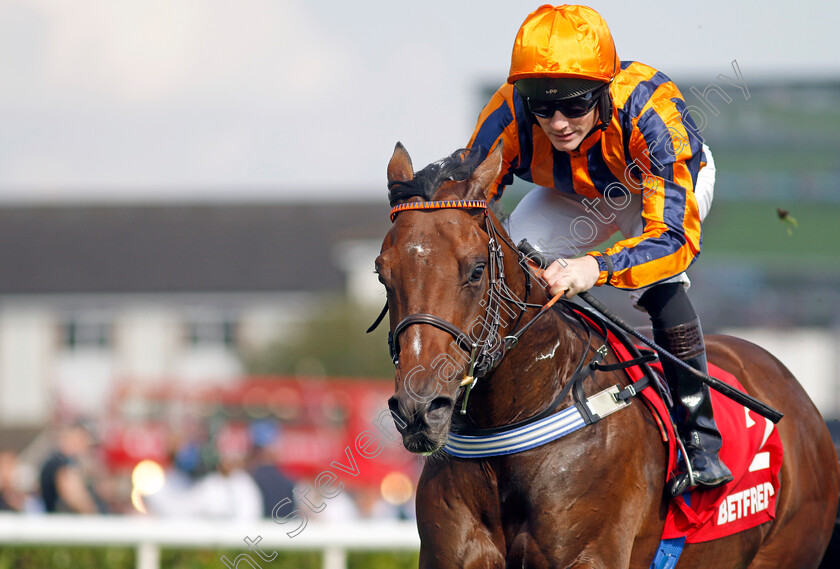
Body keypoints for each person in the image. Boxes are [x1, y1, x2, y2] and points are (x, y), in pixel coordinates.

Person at [467, 4, 731, 496]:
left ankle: (699, 439)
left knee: (658, 279)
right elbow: (467, 197)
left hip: (655, 188)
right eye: (542, 108)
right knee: (514, 260)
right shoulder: (508, 111)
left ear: (605, 89)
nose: (559, 123)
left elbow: (672, 240)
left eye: (575, 105)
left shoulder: (654, 112)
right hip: (577, 192)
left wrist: (596, 266)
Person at [39, 421, 106, 513]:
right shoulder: (61, 463)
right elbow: (73, 495)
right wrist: (92, 513)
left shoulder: (61, 461)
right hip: (65, 523)